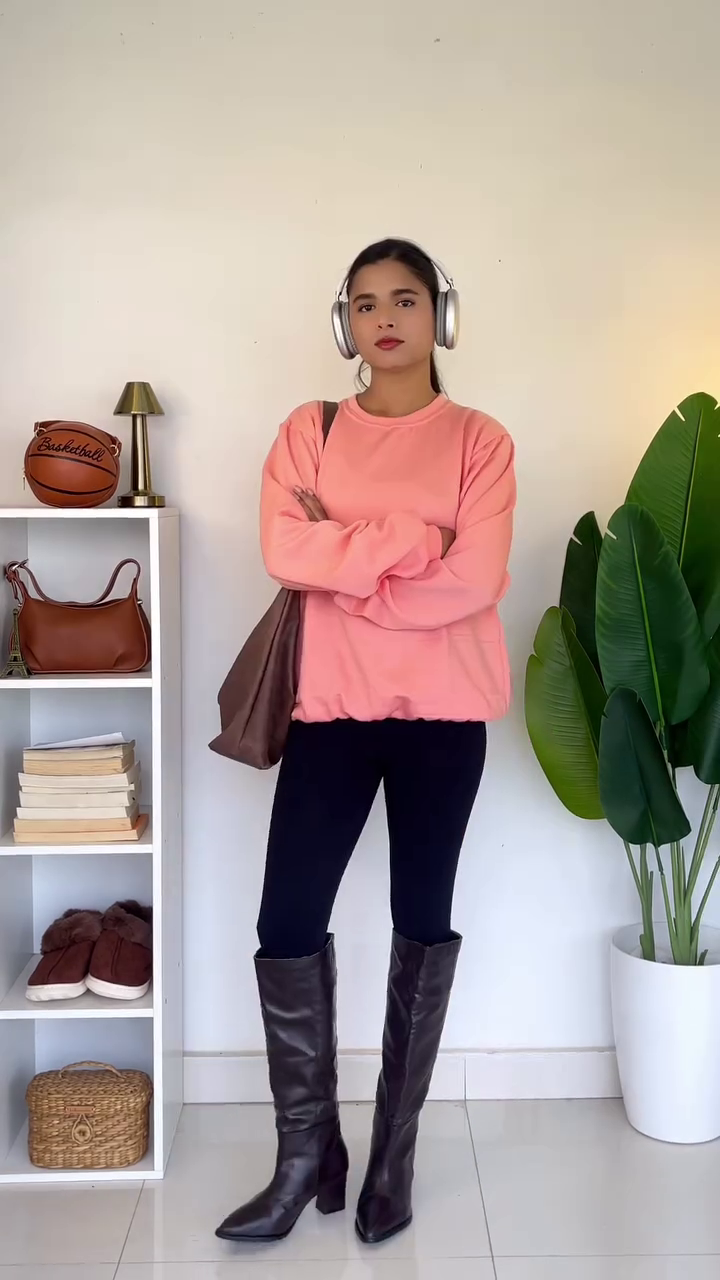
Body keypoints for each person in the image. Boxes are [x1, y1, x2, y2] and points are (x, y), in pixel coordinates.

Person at [216, 238, 516, 1245]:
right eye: (366, 302)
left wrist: (344, 563)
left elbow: (474, 582)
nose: (385, 317)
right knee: (286, 921)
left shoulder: (480, 441)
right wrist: (413, 542)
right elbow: (283, 549)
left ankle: (392, 1155)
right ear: (345, 322)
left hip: (444, 720)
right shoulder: (310, 430)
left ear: (441, 313)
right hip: (331, 714)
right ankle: (307, 1156)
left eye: (405, 298)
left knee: (421, 922)